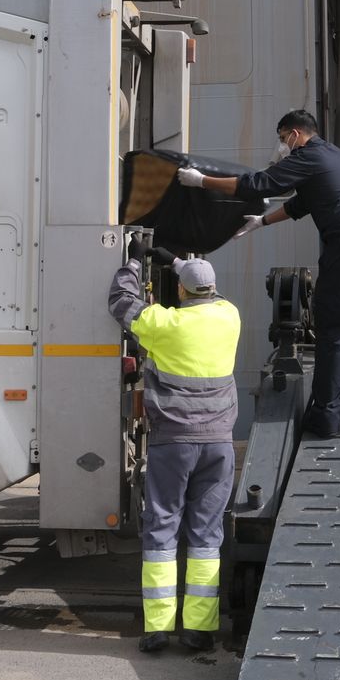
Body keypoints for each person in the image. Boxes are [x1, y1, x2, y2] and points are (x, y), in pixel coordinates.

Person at [175, 110, 340, 437]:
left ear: (294, 134)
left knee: (332, 333)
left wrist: (200, 181)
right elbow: (301, 204)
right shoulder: (331, 154)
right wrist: (260, 222)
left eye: (281, 139)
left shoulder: (305, 156)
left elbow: (257, 184)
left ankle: (326, 417)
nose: (280, 146)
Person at [107, 240, 240, 654]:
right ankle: (198, 630)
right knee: (205, 536)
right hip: (218, 445)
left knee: (162, 528)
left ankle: (158, 628)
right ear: (213, 289)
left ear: (179, 292)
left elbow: (119, 301)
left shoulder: (161, 324)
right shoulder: (229, 316)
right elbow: (205, 287)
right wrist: (178, 260)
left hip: (172, 445)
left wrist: (135, 258)